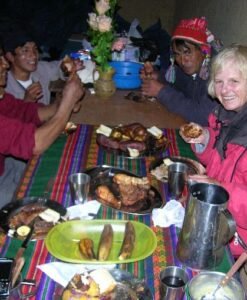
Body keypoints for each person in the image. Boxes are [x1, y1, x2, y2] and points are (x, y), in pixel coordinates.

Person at [179, 44, 247, 257]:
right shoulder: (224, 115)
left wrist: (218, 188)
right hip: (214, 208)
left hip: (233, 232)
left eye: (234, 81)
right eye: (219, 81)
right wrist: (204, 139)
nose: (225, 90)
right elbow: (216, 161)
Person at [0, 39, 85, 208]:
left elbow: (27, 112)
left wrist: (61, 103)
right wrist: (66, 105)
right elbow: (34, 144)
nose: (4, 64)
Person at [141, 17, 223, 126]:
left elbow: (202, 116)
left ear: (204, 51)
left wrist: (161, 91)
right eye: (177, 54)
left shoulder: (217, 76)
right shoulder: (189, 67)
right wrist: (156, 75)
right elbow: (174, 81)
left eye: (187, 53)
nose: (183, 61)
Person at [3, 31, 84, 105]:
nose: (34, 55)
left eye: (35, 49)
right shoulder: (5, 88)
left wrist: (66, 66)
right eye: (25, 50)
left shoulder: (40, 69)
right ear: (10, 57)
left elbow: (59, 66)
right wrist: (27, 102)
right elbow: (8, 119)